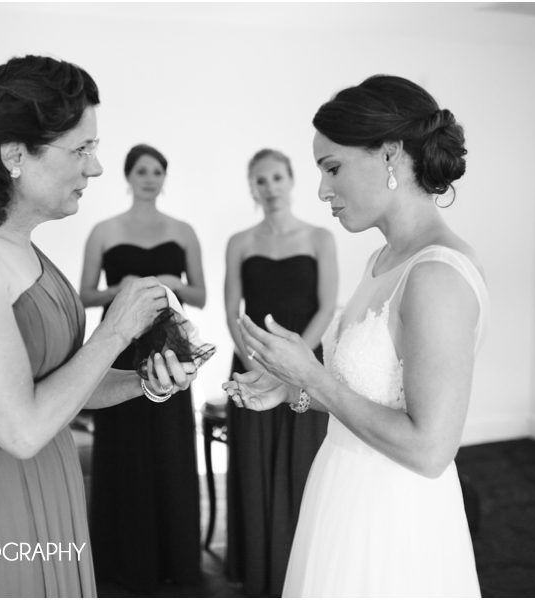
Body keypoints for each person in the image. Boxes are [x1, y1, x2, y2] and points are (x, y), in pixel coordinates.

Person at [0, 56, 196, 598]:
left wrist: (141, 382)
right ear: (15, 154)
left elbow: (54, 388)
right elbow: (21, 428)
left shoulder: (15, 241)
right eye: (81, 149)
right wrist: (117, 331)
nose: (97, 167)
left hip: (48, 476)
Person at [224, 75, 488, 597]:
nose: (322, 189)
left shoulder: (436, 274)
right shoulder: (381, 260)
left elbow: (429, 449)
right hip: (342, 488)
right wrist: (292, 387)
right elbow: (370, 396)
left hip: (393, 517)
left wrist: (314, 379)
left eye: (333, 168)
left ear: (390, 155)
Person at [79, 143, 205, 593]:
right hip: (119, 348)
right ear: (128, 177)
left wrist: (172, 284)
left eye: (157, 171)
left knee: (170, 450)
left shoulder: (183, 231)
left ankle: (176, 562)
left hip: (170, 348)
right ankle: (121, 562)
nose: (150, 178)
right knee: (123, 449)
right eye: (142, 170)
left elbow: (201, 295)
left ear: (163, 178)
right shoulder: (104, 231)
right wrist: (123, 288)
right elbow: (84, 295)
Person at [223, 148, 337, 596]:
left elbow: (327, 307)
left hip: (308, 367)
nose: (269, 187)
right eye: (260, 181)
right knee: (253, 468)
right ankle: (259, 572)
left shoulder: (319, 238)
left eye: (276, 178)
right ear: (252, 187)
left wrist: (292, 365)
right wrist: (262, 367)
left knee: (305, 468)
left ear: (291, 180)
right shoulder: (240, 241)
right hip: (251, 365)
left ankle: (301, 569)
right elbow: (233, 311)